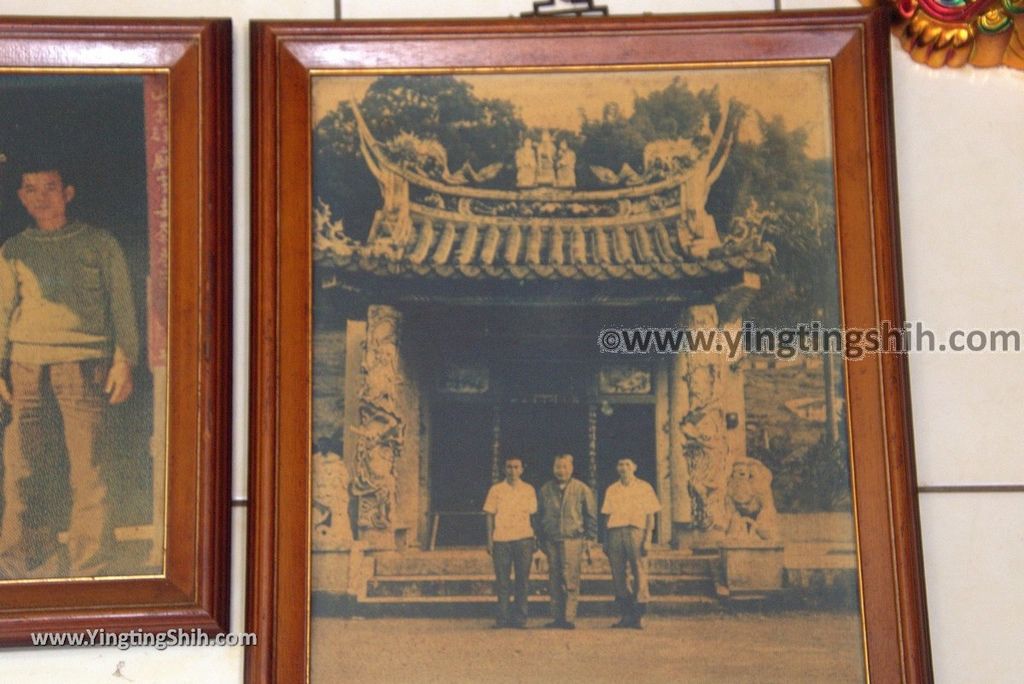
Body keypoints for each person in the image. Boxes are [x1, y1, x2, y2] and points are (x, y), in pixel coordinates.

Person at [0, 160, 138, 578]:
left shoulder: (99, 243)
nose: (41, 196)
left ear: (68, 193)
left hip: (84, 365)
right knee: (23, 467)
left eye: (50, 187)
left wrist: (124, 360)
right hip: (25, 369)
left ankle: (89, 566)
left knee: (89, 469)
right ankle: (27, 560)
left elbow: (122, 306)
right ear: (21, 197)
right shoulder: (13, 250)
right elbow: (2, 310)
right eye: (31, 188)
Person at [536, 453, 597, 629]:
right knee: (554, 579)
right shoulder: (545, 490)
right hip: (551, 540)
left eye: (564, 467)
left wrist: (589, 539)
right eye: (557, 467)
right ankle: (557, 617)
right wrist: (540, 539)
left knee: (571, 578)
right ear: (553, 468)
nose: (561, 471)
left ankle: (569, 618)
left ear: (571, 468)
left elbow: (590, 516)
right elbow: (538, 516)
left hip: (573, 540)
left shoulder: (581, 489)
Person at [601, 458, 661, 629]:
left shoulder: (644, 487)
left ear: (634, 467)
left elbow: (651, 515)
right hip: (615, 532)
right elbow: (607, 515)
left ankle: (639, 615)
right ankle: (626, 615)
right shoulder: (612, 489)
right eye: (620, 464)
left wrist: (648, 538)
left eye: (627, 464)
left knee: (639, 571)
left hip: (636, 531)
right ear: (616, 468)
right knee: (618, 574)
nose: (624, 468)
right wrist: (605, 540)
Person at [482, 457, 537, 629]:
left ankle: (520, 618)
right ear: (504, 469)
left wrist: (534, 539)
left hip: (523, 539)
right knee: (502, 581)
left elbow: (533, 516)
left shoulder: (528, 489)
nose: (513, 471)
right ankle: (502, 618)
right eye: (509, 467)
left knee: (522, 580)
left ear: (522, 469)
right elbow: (489, 515)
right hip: (501, 540)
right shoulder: (496, 490)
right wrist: (490, 540)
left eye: (516, 467)